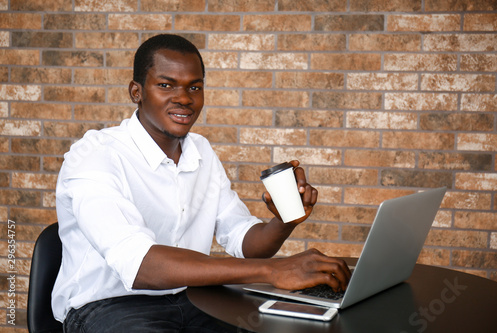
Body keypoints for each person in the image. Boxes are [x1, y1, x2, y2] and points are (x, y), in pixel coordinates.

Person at [52, 34, 351, 332]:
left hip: (193, 298)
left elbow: (244, 241)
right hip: (109, 307)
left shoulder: (201, 152)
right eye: (166, 85)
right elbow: (140, 263)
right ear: (136, 92)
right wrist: (272, 271)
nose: (184, 98)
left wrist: (285, 220)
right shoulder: (95, 155)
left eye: (194, 87)